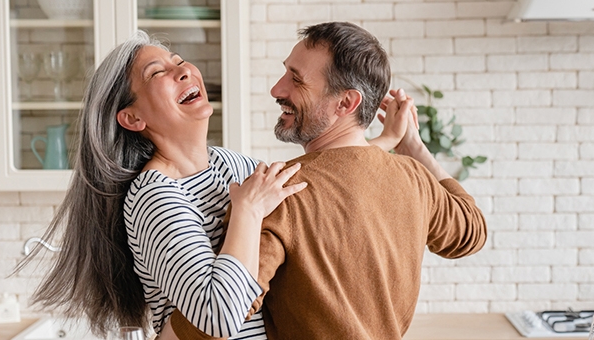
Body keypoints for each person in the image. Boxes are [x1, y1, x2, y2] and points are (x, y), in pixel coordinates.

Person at [16, 30, 412, 340]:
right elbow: (217, 317)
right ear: (133, 118)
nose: (184, 70)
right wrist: (247, 212)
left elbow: (307, 189)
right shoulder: (155, 197)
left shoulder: (228, 164)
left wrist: (383, 142)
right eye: (158, 74)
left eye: (178, 61)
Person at [172, 21, 488, 340]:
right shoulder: (415, 178)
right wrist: (414, 147)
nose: (277, 90)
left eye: (296, 80)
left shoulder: (279, 193)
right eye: (286, 72)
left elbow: (216, 320)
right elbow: (472, 232)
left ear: (346, 103)